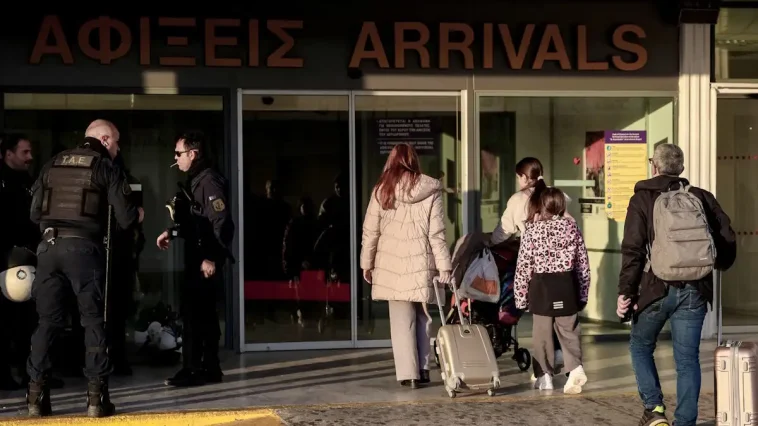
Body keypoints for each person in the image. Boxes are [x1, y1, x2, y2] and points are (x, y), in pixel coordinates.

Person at [26, 119, 140, 418]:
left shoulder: (52, 163)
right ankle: (96, 400)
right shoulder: (104, 167)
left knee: (47, 323)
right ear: (105, 140)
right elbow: (126, 218)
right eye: (116, 142)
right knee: (93, 322)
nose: (118, 149)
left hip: (48, 249)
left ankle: (36, 398)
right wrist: (138, 213)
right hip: (84, 251)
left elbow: (35, 213)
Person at [617, 144, 736, 426]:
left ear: (654, 166)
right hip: (695, 289)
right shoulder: (701, 197)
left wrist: (626, 292)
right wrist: (719, 264)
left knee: (640, 345)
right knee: (687, 360)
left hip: (654, 288)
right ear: (681, 168)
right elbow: (727, 238)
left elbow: (633, 249)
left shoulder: (642, 199)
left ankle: (655, 410)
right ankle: (685, 422)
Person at [360, 143, 452, 389]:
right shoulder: (430, 190)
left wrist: (367, 263)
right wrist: (444, 267)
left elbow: (371, 232)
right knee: (423, 317)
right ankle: (423, 369)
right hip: (421, 264)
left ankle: (408, 374)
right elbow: (437, 234)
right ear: (414, 161)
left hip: (391, 266)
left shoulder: (382, 190)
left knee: (402, 321)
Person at [157, 130, 235, 387]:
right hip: (197, 258)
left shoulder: (208, 181)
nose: (175, 158)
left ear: (193, 153)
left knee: (200, 317)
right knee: (197, 315)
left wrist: (212, 258)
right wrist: (171, 232)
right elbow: (194, 222)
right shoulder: (196, 181)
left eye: (178, 153)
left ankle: (198, 369)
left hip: (205, 261)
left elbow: (221, 223)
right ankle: (204, 368)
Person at [489, 157, 570, 375]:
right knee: (559, 312)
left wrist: (488, 243)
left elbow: (503, 231)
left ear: (524, 177)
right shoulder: (555, 195)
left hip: (536, 265)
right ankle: (562, 355)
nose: (518, 181)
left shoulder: (518, 200)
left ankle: (544, 368)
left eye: (518, 177)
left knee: (541, 317)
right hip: (561, 265)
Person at [513, 187, 590, 394]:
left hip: (541, 288)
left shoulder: (532, 232)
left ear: (541, 206)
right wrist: (582, 295)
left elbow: (523, 268)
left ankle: (544, 376)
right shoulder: (572, 229)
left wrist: (520, 298)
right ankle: (575, 368)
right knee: (569, 331)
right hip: (566, 286)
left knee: (542, 334)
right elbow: (583, 265)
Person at [108, 150, 146, 376]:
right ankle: (117, 358)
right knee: (117, 310)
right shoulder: (125, 182)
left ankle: (109, 358)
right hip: (120, 254)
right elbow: (133, 219)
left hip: (110, 254)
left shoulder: (123, 182)